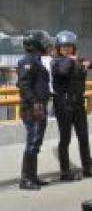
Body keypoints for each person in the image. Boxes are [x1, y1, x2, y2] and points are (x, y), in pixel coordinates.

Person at [51, 30, 92, 180]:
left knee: (84, 137)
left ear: (74, 47)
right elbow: (63, 71)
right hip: (63, 104)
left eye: (70, 46)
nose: (67, 49)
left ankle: (87, 169)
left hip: (79, 103)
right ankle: (65, 172)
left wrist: (89, 63)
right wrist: (73, 60)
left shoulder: (78, 60)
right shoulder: (56, 62)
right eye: (64, 47)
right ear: (58, 48)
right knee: (65, 139)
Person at [16, 30, 52, 191]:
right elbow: (24, 85)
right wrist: (36, 102)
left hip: (38, 106)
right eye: (43, 41)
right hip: (31, 108)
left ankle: (33, 177)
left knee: (36, 143)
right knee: (32, 143)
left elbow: (38, 84)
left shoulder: (36, 60)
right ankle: (25, 179)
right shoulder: (27, 61)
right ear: (36, 44)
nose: (46, 44)